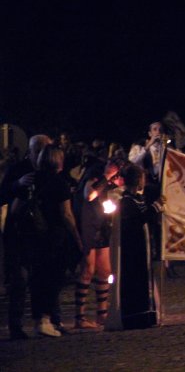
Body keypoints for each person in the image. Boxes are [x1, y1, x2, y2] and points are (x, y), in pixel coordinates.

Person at [0, 134, 51, 339]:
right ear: (33, 150)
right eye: (40, 149)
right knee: (19, 279)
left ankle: (43, 320)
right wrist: (17, 184)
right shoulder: (18, 170)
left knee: (40, 277)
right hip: (19, 231)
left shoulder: (47, 171)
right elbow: (3, 193)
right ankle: (15, 325)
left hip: (39, 231)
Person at [30, 145, 83, 337]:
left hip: (35, 234)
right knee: (53, 278)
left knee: (38, 277)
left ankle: (40, 319)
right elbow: (66, 214)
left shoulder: (33, 179)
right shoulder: (59, 183)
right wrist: (77, 238)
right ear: (58, 160)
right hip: (54, 234)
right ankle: (46, 319)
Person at [74, 156, 126, 329]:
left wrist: (116, 182)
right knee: (88, 270)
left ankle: (102, 315)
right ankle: (79, 317)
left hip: (102, 227)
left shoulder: (111, 180)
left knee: (104, 270)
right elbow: (89, 195)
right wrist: (106, 176)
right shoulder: (95, 175)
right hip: (88, 225)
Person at [107, 164, 161, 330]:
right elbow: (136, 221)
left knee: (143, 280)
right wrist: (155, 208)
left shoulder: (137, 198)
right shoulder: (126, 201)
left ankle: (146, 315)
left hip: (141, 245)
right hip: (132, 248)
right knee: (134, 281)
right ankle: (134, 317)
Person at [128, 121, 166, 186]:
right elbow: (132, 162)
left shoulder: (166, 150)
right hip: (144, 184)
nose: (158, 132)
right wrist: (147, 146)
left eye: (160, 130)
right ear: (150, 134)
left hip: (162, 185)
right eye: (155, 129)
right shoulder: (139, 147)